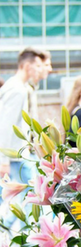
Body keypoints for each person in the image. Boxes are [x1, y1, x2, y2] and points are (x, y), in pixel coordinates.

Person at [0, 48, 44, 181]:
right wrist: (4, 160)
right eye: (37, 66)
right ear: (26, 66)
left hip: (16, 155)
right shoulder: (17, 90)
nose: (39, 69)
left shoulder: (16, 86)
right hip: (15, 157)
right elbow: (7, 124)